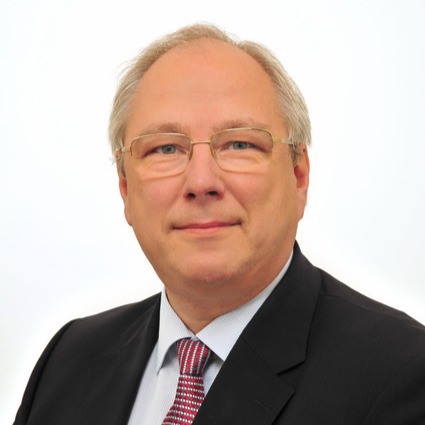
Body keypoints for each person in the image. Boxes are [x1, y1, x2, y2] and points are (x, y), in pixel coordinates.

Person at [14, 23, 425, 425]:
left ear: (299, 175)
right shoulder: (67, 361)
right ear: (125, 188)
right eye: (165, 149)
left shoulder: (403, 374)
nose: (201, 182)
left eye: (239, 144)